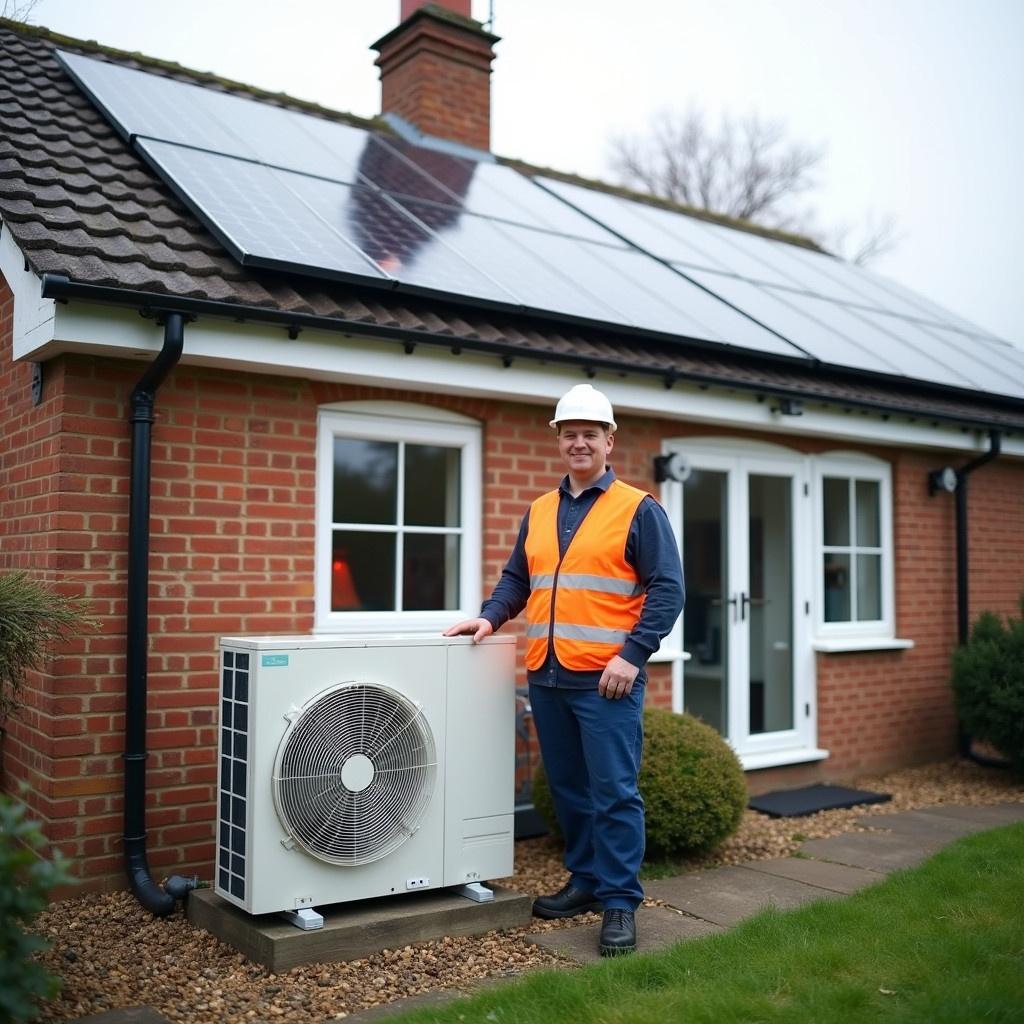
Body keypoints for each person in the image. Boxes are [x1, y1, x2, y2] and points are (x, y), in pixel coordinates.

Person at [444, 383, 684, 956]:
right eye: (569, 433)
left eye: (589, 434)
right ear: (559, 441)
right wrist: (488, 619)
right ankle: (586, 881)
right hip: (547, 676)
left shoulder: (639, 509)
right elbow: (517, 581)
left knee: (615, 792)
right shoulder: (540, 510)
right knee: (571, 790)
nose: (579, 442)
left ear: (609, 441)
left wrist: (632, 655)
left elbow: (668, 589)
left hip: (607, 680)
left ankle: (620, 902)